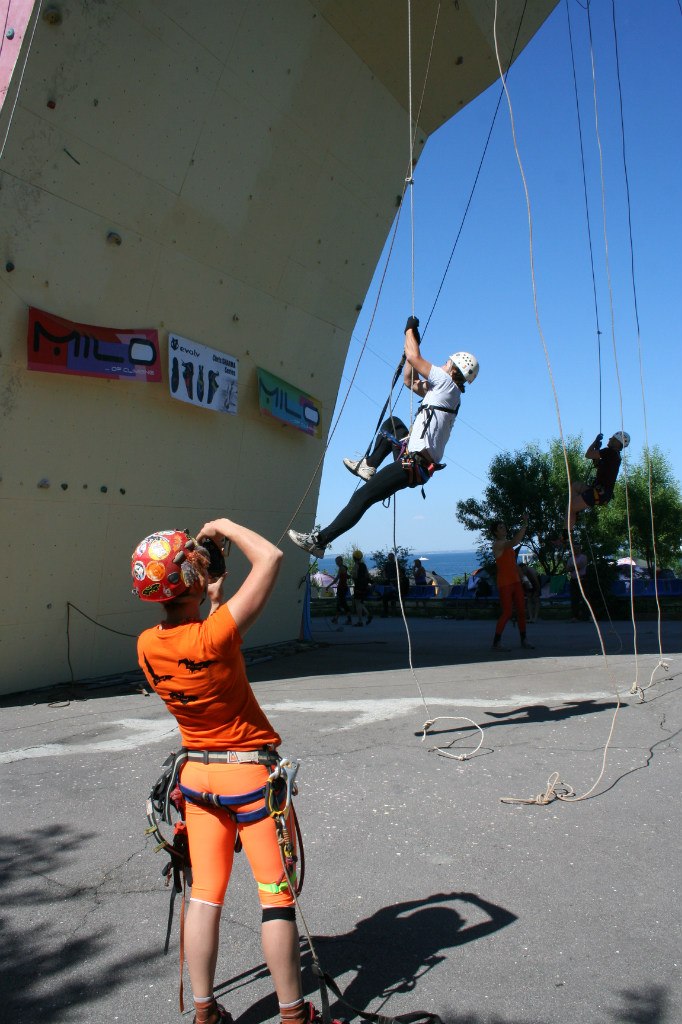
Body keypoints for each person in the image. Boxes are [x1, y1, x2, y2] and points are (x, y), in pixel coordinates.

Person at [131, 521, 332, 1024]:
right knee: (276, 899)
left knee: (204, 896)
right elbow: (271, 559)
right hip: (249, 778)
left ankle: (204, 1012)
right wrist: (222, 527)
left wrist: (211, 597)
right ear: (191, 580)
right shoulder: (216, 635)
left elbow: (202, 655)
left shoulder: (147, 645)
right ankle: (292, 1015)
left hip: (197, 779)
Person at [287, 316, 479, 557]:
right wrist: (409, 345)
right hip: (413, 458)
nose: (443, 364)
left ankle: (320, 540)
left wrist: (409, 331)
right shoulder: (445, 391)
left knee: (362, 496)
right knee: (394, 425)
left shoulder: (446, 384)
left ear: (453, 368)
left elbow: (414, 357)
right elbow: (409, 380)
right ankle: (369, 465)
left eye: (446, 362)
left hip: (413, 463)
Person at [566, 430, 629, 531]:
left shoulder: (610, 452)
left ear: (617, 443)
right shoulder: (614, 456)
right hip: (601, 493)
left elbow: (588, 454)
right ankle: (576, 510)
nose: (609, 439)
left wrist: (595, 442)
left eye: (612, 438)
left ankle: (565, 537)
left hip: (599, 493)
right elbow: (597, 463)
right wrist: (597, 449)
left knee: (571, 508)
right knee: (575, 486)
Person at [491, 515, 535, 653]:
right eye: (500, 527)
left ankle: (524, 639)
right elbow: (515, 541)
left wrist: (525, 580)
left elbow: (514, 565)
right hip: (505, 583)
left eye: (504, 526)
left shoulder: (507, 547)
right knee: (508, 612)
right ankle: (496, 642)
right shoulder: (498, 545)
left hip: (515, 581)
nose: (504, 528)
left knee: (522, 611)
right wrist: (525, 524)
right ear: (495, 532)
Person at [565, 543, 589, 621]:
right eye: (574, 548)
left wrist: (573, 567)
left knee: (584, 598)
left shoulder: (583, 557)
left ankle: (586, 616)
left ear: (580, 549)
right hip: (573, 579)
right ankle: (575, 616)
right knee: (574, 599)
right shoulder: (570, 558)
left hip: (582, 579)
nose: (575, 550)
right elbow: (568, 569)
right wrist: (574, 567)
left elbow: (580, 566)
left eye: (577, 548)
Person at [381, 552, 409, 616]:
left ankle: (390, 612)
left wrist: (394, 579)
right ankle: (389, 612)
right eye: (389, 557)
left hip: (396, 586)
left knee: (388, 596)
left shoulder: (396, 564)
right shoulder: (387, 564)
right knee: (386, 595)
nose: (390, 558)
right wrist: (386, 578)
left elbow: (398, 575)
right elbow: (384, 571)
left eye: (391, 557)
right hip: (390, 583)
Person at [328, 554, 352, 625]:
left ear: (341, 561)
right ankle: (336, 618)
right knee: (339, 603)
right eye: (336, 562)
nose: (337, 563)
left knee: (343, 604)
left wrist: (329, 586)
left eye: (338, 561)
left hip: (341, 588)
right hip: (343, 587)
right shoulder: (344, 567)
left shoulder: (341, 568)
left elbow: (336, 579)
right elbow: (347, 576)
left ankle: (349, 619)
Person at [351, 549, 373, 626]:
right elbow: (367, 575)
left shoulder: (356, 565)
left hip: (358, 586)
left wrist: (353, 575)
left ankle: (360, 621)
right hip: (364, 586)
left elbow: (355, 576)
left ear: (354, 557)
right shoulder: (364, 565)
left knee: (358, 603)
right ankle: (368, 614)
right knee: (360, 602)